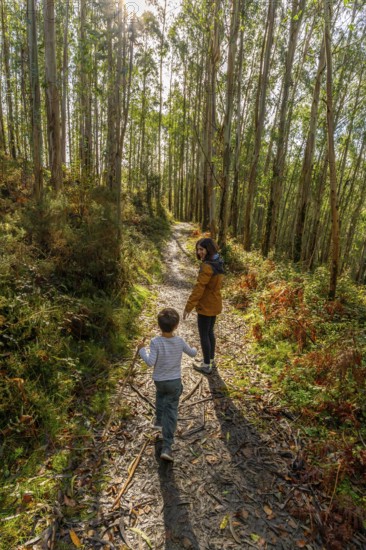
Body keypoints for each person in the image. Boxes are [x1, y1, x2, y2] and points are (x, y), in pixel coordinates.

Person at [138, 307, 197, 462]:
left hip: (159, 381)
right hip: (174, 381)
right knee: (171, 411)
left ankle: (158, 421)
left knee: (160, 396)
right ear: (176, 325)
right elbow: (192, 353)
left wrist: (141, 350)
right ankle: (167, 447)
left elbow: (150, 362)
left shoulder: (155, 342)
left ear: (159, 326)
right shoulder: (179, 341)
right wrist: (196, 348)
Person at [183, 238, 224, 374]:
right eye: (198, 249)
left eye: (201, 249)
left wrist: (189, 306)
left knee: (204, 335)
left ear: (208, 249)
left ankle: (206, 365)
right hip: (215, 302)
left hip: (206, 305)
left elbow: (199, 288)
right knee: (209, 332)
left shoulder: (207, 266)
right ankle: (210, 360)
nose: (199, 252)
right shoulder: (217, 261)